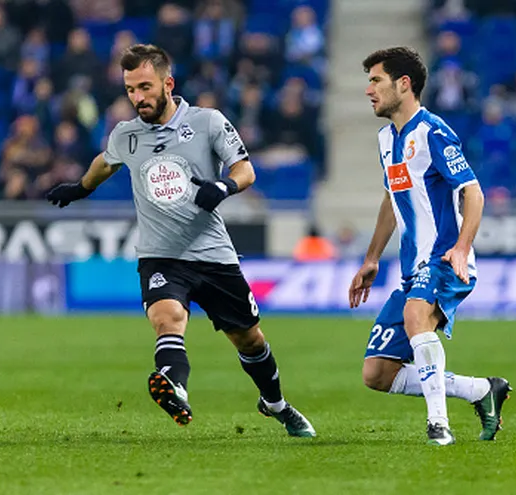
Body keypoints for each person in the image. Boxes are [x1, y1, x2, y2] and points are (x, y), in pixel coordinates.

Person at [45, 44, 315, 437]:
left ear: (167, 84)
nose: (137, 98)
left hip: (212, 253)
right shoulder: (126, 134)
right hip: (161, 255)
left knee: (250, 339)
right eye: (130, 90)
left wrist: (223, 186)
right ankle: (175, 387)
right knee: (166, 317)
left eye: (145, 87)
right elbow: (105, 162)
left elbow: (246, 170)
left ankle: (275, 403)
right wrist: (81, 188)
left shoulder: (207, 122)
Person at [349, 47, 511, 446]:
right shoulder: (387, 140)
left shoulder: (432, 132)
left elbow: (473, 193)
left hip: (442, 258)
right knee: (377, 374)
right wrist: (371, 258)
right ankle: (480, 390)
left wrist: (461, 247)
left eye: (376, 80)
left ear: (404, 84)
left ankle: (438, 425)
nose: (368, 90)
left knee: (416, 315)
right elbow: (392, 199)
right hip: (411, 269)